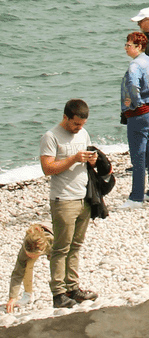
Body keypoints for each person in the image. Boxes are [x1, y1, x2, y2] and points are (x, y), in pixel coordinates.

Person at [37, 100, 97, 309]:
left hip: (83, 197)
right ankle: (58, 293)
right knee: (61, 248)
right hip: (63, 199)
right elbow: (47, 168)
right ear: (66, 118)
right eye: (76, 124)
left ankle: (73, 287)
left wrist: (92, 160)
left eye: (82, 124)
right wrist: (73, 159)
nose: (79, 128)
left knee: (76, 246)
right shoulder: (51, 137)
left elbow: (88, 160)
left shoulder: (83, 133)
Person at [118, 31, 149, 205]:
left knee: (138, 157)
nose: (125, 48)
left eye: (128, 45)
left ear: (138, 47)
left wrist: (135, 104)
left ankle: (136, 197)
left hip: (140, 114)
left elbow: (133, 85)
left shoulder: (135, 66)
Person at [7, 225, 52, 317]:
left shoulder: (52, 240)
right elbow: (17, 272)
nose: (31, 257)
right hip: (36, 243)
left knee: (57, 263)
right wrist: (13, 297)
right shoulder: (26, 246)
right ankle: (28, 295)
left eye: (33, 256)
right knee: (27, 264)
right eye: (29, 254)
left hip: (51, 240)